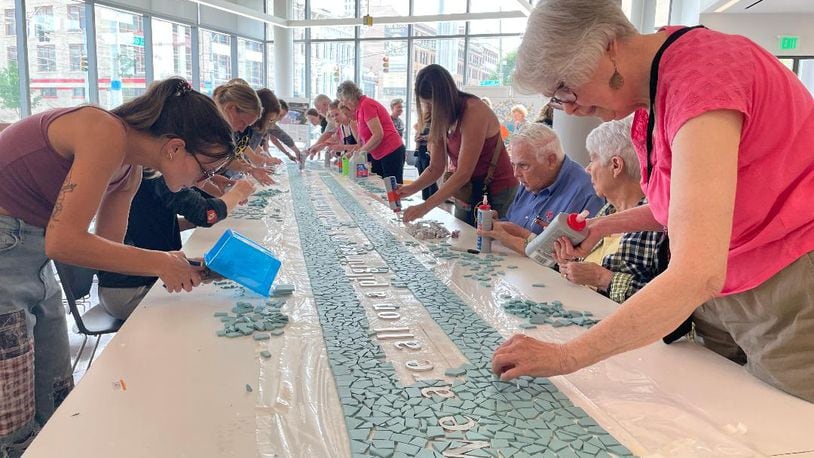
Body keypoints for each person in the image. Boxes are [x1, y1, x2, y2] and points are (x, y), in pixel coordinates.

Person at [492, 0, 814, 403]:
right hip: (727, 290)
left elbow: (697, 272)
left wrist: (567, 355)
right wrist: (600, 226)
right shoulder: (652, 94)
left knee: (786, 423)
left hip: (789, 283)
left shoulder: (702, 78)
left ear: (607, 45)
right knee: (718, 411)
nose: (569, 107)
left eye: (563, 88)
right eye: (556, 99)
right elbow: (682, 212)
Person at [0, 77, 235, 455]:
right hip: (7, 251)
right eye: (204, 171)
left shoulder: (130, 170)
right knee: (10, 420)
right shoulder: (103, 130)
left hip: (34, 257)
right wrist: (160, 261)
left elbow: (104, 250)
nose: (203, 182)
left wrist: (183, 266)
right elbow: (64, 242)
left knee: (56, 395)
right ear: (176, 148)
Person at [96, 170, 255, 320]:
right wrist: (237, 193)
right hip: (128, 290)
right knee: (217, 308)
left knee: (219, 296)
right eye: (204, 171)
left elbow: (147, 227)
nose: (200, 184)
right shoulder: (153, 174)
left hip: (137, 281)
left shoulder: (143, 172)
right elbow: (207, 214)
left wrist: (186, 230)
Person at [554, 118, 664, 303]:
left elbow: (668, 301)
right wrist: (567, 264)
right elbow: (580, 270)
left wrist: (603, 279)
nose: (587, 169)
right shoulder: (607, 210)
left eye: (592, 159)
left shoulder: (659, 224)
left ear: (615, 165)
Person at [398, 64, 518, 226]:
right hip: (468, 189)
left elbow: (463, 173)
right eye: (426, 104)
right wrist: (410, 189)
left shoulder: (473, 111)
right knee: (463, 235)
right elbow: (436, 167)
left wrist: (425, 207)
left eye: (432, 104)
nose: (429, 109)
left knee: (491, 242)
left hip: (498, 190)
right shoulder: (440, 116)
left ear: (444, 99)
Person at [478, 123, 604, 255]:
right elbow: (512, 222)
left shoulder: (587, 193)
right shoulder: (530, 181)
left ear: (551, 161)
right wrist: (496, 224)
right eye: (513, 165)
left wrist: (511, 237)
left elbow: (572, 259)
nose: (516, 173)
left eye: (523, 165)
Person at [336, 80, 406, 183]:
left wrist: (359, 153)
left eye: (342, 100)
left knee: (392, 190)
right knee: (378, 188)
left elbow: (378, 134)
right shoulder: (359, 109)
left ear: (348, 97)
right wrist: (352, 153)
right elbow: (363, 141)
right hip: (378, 154)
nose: (343, 103)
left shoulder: (367, 105)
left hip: (391, 150)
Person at [211, 81, 274, 186]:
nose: (241, 130)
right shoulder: (206, 125)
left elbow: (227, 159)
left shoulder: (226, 129)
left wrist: (252, 170)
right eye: (242, 122)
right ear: (231, 108)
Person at [412, 113, 437, 200]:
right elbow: (416, 136)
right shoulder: (421, 123)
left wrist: (424, 138)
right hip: (421, 151)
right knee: (422, 176)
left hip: (430, 151)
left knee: (430, 178)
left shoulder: (435, 123)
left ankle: (432, 200)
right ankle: (424, 199)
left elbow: (436, 136)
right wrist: (417, 138)